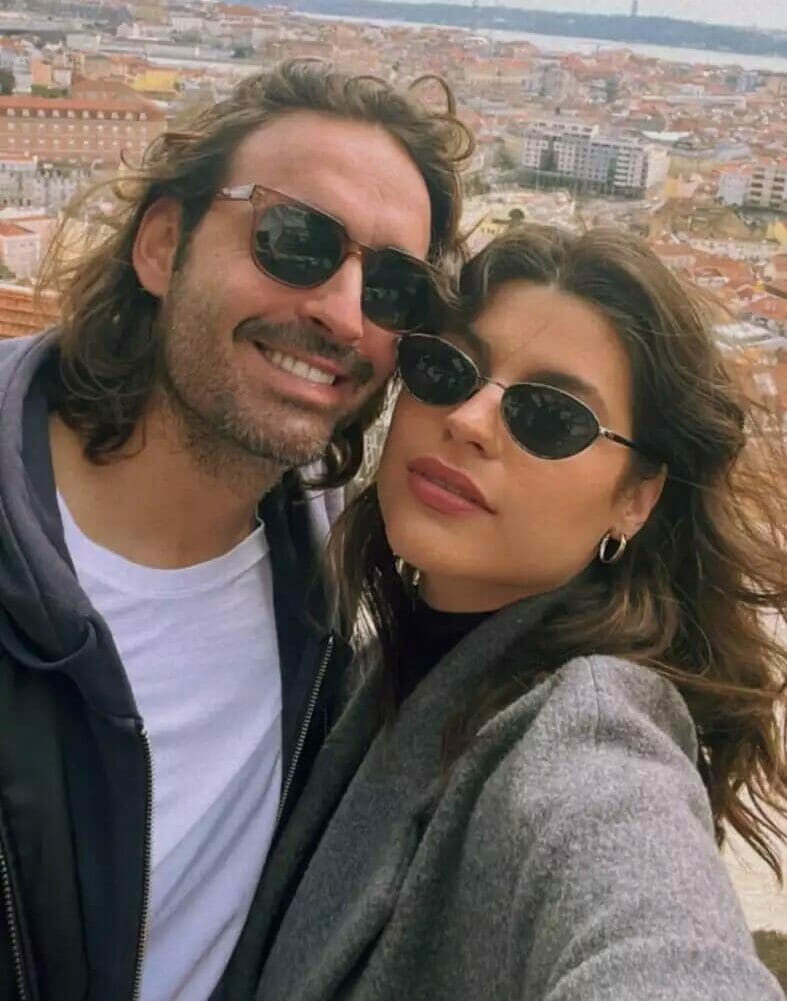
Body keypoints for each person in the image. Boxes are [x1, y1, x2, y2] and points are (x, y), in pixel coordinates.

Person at [0, 61, 472, 1001]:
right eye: (294, 240)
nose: (343, 314)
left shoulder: (340, 597)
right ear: (160, 246)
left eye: (392, 289)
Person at [252, 225, 787, 1000]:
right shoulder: (371, 663)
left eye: (549, 416)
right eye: (446, 369)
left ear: (636, 498)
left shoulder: (591, 739)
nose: (468, 420)